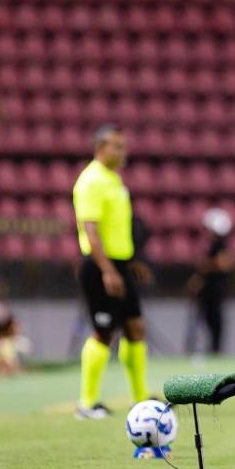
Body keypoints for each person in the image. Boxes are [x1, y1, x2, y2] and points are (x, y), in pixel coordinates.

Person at [72, 124, 152, 419]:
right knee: (104, 333)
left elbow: (117, 229)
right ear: (100, 148)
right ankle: (86, 403)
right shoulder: (91, 181)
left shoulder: (114, 180)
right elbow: (90, 232)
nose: (123, 151)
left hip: (120, 265)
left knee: (135, 329)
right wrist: (108, 271)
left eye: (124, 146)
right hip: (99, 266)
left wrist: (129, 263)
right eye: (117, 146)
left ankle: (140, 399)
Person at [185, 207, 234, 356]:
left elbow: (224, 263)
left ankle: (214, 350)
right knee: (206, 319)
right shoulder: (214, 245)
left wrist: (205, 265)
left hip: (215, 290)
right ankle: (205, 349)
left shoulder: (220, 245)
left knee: (213, 321)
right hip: (209, 290)